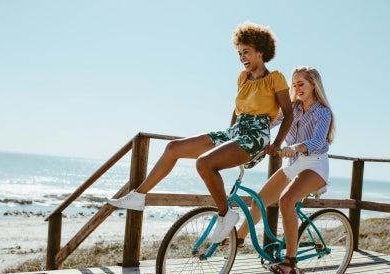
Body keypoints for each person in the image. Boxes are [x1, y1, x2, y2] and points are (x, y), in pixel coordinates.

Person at [108, 21, 294, 244]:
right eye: (239, 53)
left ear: (260, 51)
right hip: (236, 131)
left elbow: (289, 114)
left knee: (204, 163)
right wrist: (228, 134)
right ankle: (139, 196)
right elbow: (237, 110)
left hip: (256, 136)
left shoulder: (276, 78)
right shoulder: (242, 78)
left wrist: (277, 144)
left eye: (246, 52)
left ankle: (226, 215)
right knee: (173, 148)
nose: (242, 57)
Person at [232, 66, 335, 274]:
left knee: (286, 201)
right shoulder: (294, 109)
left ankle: (290, 260)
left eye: (301, 84)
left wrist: (294, 147)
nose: (297, 88)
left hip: (315, 164)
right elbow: (271, 120)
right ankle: (238, 240)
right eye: (294, 84)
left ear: (313, 85)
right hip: (294, 163)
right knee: (259, 200)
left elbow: (317, 141)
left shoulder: (323, 112)